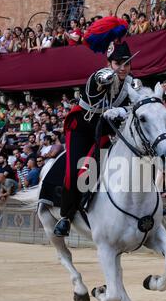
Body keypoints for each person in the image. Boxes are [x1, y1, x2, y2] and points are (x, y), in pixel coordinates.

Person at [54, 41, 134, 237]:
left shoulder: (132, 83)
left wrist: (122, 110)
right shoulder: (100, 76)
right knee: (75, 171)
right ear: (109, 64)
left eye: (127, 64)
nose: (123, 68)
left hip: (105, 132)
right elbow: (94, 90)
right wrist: (103, 80)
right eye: (118, 64)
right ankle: (66, 215)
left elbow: (134, 106)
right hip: (82, 128)